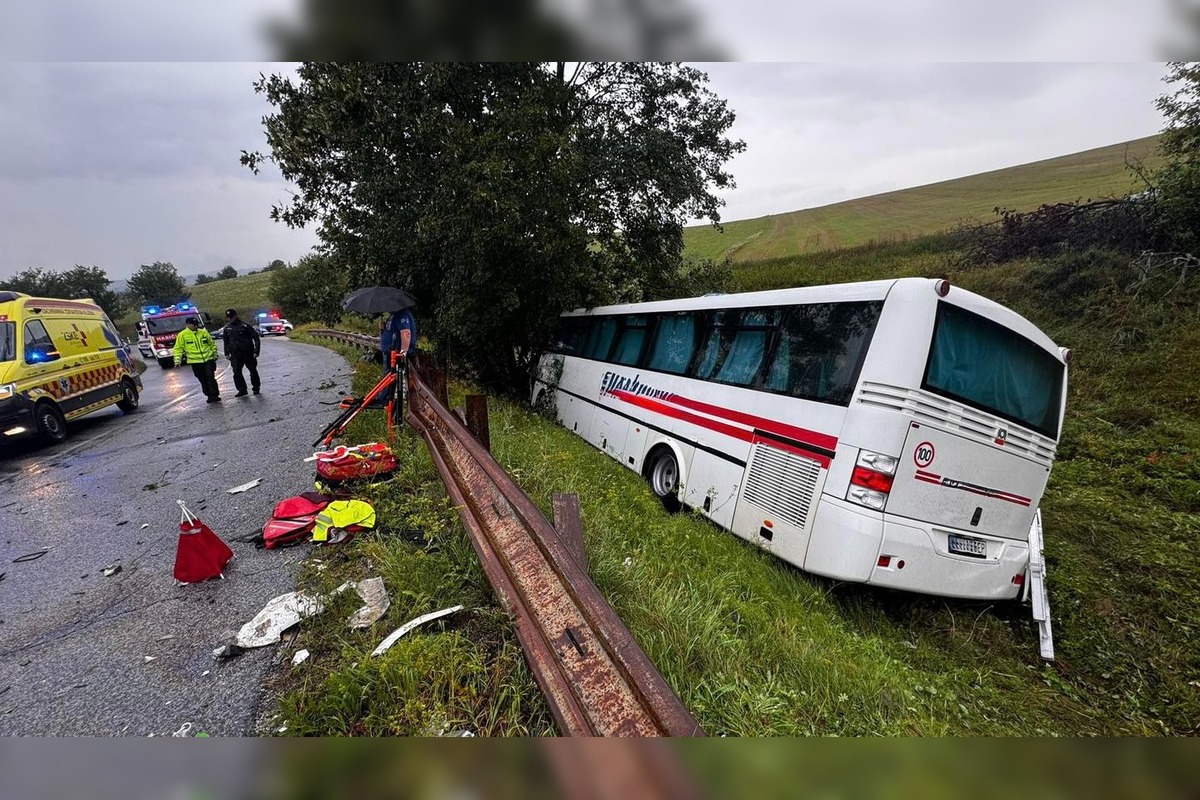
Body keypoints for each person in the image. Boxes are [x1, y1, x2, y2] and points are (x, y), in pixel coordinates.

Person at [174, 316, 221, 403]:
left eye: (197, 324)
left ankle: (215, 395)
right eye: (194, 325)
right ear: (188, 325)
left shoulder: (203, 333)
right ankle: (209, 395)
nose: (196, 326)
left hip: (208, 359)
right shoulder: (182, 335)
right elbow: (178, 348)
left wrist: (214, 355)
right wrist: (177, 360)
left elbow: (212, 344)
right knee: (202, 379)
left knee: (210, 377)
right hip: (196, 362)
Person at [222, 308, 261, 397]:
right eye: (228, 317)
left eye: (232, 317)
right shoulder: (227, 328)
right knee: (236, 372)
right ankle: (242, 389)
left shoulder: (245, 326)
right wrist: (226, 353)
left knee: (252, 371)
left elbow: (256, 338)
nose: (230, 319)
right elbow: (226, 342)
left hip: (248, 353)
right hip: (235, 354)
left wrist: (256, 351)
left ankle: (256, 388)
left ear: (236, 316)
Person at [380, 305, 417, 371]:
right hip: (390, 352)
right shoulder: (395, 314)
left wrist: (403, 352)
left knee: (393, 378)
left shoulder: (402, 314)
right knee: (389, 376)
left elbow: (406, 333)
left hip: (396, 354)